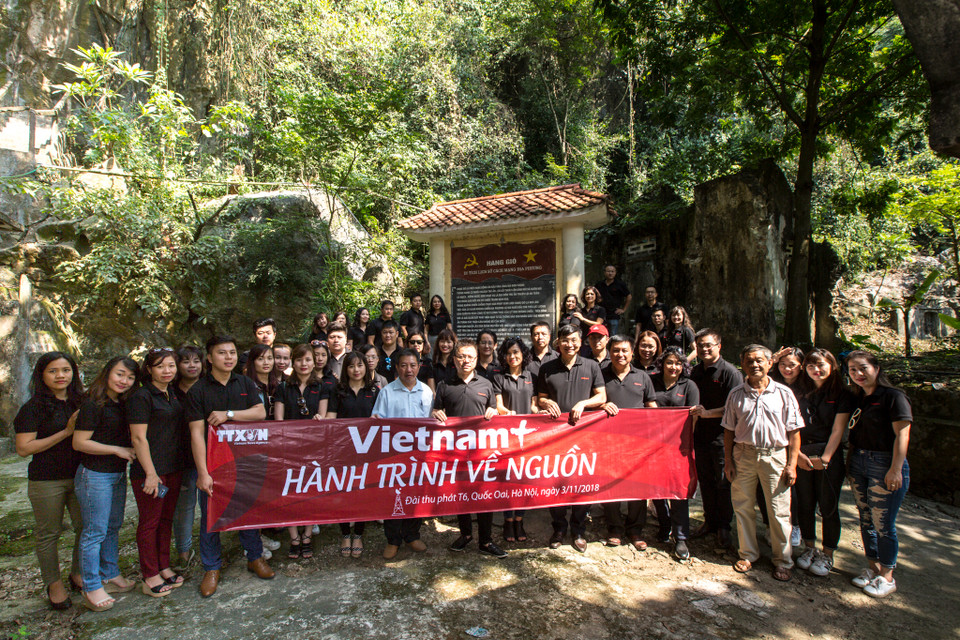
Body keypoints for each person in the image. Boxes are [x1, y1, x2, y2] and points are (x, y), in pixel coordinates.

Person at [185, 336, 272, 598]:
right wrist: (202, 473)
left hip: (244, 461)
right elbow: (196, 434)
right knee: (211, 516)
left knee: (247, 510)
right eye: (222, 353)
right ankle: (211, 567)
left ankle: (254, 557)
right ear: (210, 358)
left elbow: (260, 412)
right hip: (213, 465)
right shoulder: (198, 390)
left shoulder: (244, 382)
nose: (229, 357)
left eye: (232, 352)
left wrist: (229, 415)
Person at [723, 345, 802, 582]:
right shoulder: (736, 394)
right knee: (743, 505)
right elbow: (728, 430)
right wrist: (729, 461)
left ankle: (783, 560)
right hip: (743, 455)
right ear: (742, 365)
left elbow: (794, 431)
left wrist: (792, 464)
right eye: (749, 361)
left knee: (778, 510)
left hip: (775, 456)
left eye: (759, 360)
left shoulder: (784, 393)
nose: (754, 365)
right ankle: (748, 554)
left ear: (770, 363)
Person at [14, 352, 85, 610]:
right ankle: (53, 584)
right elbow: (24, 448)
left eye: (65, 370)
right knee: (49, 533)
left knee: (85, 527)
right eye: (53, 371)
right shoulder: (32, 407)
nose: (60, 376)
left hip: (80, 475)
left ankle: (78, 573)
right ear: (42, 375)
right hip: (46, 480)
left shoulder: (81, 401)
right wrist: (66, 432)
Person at [72, 356, 139, 610]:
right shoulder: (93, 403)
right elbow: (79, 442)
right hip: (94, 474)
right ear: (108, 372)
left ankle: (110, 574)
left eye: (130, 377)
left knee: (112, 526)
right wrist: (117, 450)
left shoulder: (122, 403)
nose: (124, 381)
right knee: (95, 532)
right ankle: (91, 586)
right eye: (120, 374)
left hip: (117, 474)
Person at [845, 350, 912, 598]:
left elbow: (902, 435)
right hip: (858, 461)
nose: (858, 374)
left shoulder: (893, 397)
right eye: (852, 370)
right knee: (866, 519)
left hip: (884, 463)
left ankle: (887, 575)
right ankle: (873, 569)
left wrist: (895, 468)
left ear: (876, 368)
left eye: (863, 368)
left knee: (883, 523)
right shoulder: (859, 398)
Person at [432, 340, 508, 558]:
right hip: (455, 451)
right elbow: (436, 411)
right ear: (454, 359)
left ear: (476, 359)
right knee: (461, 494)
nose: (466, 361)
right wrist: (435, 413)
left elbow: (493, 410)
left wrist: (494, 412)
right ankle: (465, 534)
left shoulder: (486, 384)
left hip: (481, 451)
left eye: (470, 357)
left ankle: (486, 540)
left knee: (484, 495)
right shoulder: (444, 385)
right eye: (461, 356)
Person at [537, 324, 606, 552]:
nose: (570, 344)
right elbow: (540, 398)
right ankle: (559, 528)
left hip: (584, 435)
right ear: (558, 342)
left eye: (574, 340)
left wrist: (583, 403)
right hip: (555, 436)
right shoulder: (547, 368)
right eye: (565, 340)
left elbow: (601, 396)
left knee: (582, 482)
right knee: (555, 482)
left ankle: (578, 530)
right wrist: (547, 402)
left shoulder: (591, 366)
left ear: (580, 342)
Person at [128, 348, 187, 598]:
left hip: (173, 468)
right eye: (160, 366)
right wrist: (151, 474)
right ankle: (149, 574)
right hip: (150, 472)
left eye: (171, 365)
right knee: (150, 522)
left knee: (166, 520)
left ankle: (163, 566)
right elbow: (138, 438)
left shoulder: (171, 393)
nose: (167, 371)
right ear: (149, 369)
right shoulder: (141, 396)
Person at [793, 348, 853, 578]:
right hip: (802, 451)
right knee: (805, 503)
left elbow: (838, 429)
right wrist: (797, 455)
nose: (816, 370)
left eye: (820, 365)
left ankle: (827, 554)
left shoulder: (842, 394)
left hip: (828, 454)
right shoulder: (801, 391)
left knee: (828, 506)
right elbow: (793, 425)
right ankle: (809, 547)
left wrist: (826, 458)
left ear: (832, 366)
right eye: (810, 366)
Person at [372, 349, 434, 560]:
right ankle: (393, 540)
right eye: (404, 365)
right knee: (393, 497)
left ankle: (412, 535)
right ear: (397, 367)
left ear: (419, 366)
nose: (409, 370)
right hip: (393, 457)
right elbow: (377, 423)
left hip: (419, 455)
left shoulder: (426, 392)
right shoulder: (386, 392)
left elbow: (431, 423)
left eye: (413, 365)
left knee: (416, 495)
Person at [599, 336, 657, 552]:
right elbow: (592, 400)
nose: (620, 354)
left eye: (624, 350)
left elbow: (651, 406)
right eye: (615, 350)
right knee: (610, 485)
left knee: (637, 486)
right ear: (609, 352)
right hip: (608, 440)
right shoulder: (600, 374)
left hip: (637, 443)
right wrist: (602, 405)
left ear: (632, 352)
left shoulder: (642, 377)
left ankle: (635, 530)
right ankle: (614, 528)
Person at [689, 329, 741, 550]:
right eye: (700, 345)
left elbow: (736, 408)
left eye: (708, 345)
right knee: (706, 481)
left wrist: (708, 413)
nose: (704, 349)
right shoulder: (696, 371)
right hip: (699, 436)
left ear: (719, 346)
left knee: (723, 483)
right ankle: (709, 521)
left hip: (722, 438)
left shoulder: (730, 373)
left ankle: (724, 526)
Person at [325, 351, 380, 558]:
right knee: (343, 493)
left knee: (362, 493)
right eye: (351, 366)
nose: (356, 370)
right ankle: (345, 534)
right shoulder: (337, 391)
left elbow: (381, 419)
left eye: (360, 365)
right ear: (345, 369)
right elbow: (331, 419)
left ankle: (358, 534)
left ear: (366, 367)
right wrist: (321, 422)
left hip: (367, 450)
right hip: (344, 450)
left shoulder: (374, 391)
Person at [275, 343, 325, 559]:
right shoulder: (283, 387)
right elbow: (278, 420)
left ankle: (307, 535)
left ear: (314, 362)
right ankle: (294, 537)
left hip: (314, 447)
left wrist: (319, 419)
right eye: (299, 360)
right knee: (290, 492)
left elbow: (323, 416)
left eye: (308, 360)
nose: (303, 364)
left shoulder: (322, 387)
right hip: (289, 447)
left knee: (311, 491)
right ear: (292, 363)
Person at [651, 347, 700, 560]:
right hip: (652, 444)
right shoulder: (651, 381)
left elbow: (693, 417)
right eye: (670, 362)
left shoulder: (689, 386)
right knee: (655, 488)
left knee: (678, 490)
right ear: (662, 363)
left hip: (679, 446)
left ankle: (680, 537)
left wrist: (686, 442)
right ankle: (665, 525)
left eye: (678, 363)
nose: (674, 367)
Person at [493, 337, 537, 543]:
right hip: (507, 436)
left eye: (516, 352)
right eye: (509, 353)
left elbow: (534, 404)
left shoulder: (531, 376)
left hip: (528, 437)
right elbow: (498, 405)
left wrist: (541, 412)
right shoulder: (498, 377)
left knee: (524, 480)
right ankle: (508, 521)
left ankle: (519, 520)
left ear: (523, 354)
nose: (512, 356)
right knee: (508, 481)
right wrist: (507, 412)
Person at [172, 345, 207, 569]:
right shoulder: (170, 390)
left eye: (196, 361)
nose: (192, 366)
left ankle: (209, 549)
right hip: (180, 457)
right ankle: (183, 552)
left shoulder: (207, 387)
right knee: (184, 508)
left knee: (209, 507)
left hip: (208, 456)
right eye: (186, 361)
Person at [768, 346, 805, 547]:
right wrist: (773, 359)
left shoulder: (807, 387)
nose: (787, 369)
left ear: (802, 366)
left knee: (797, 490)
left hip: (800, 443)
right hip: (777, 442)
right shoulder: (774, 383)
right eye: (783, 364)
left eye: (792, 365)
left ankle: (796, 526)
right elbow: (754, 375)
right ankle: (774, 526)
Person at [244, 343, 279, 419]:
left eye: (270, 358)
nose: (266, 362)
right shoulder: (246, 386)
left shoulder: (278, 385)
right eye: (260, 359)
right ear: (252, 361)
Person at [595, 265, 631, 335]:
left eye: (612, 271)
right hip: (601, 314)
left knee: (613, 335)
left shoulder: (620, 284)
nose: (610, 273)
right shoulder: (599, 284)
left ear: (615, 273)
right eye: (608, 271)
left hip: (613, 314)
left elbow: (629, 296)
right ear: (604, 272)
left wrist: (623, 309)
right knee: (600, 334)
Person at [311, 340, 338, 406]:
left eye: (323, 355)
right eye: (316, 355)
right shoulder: (305, 377)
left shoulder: (332, 378)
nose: (320, 359)